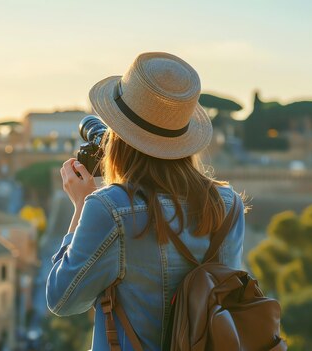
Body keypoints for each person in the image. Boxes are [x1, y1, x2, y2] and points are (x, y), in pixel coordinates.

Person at [46, 52, 245, 351]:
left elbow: (62, 299)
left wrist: (81, 206)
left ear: (119, 136)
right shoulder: (228, 204)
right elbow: (229, 298)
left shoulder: (108, 209)